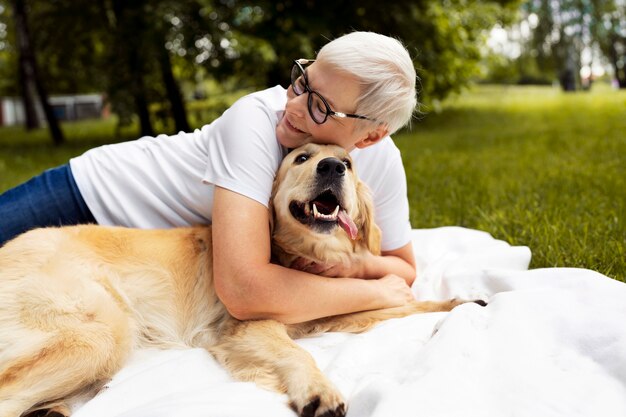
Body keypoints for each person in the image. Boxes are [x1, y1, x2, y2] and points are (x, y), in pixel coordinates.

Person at [0, 31, 418, 324]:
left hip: (133, 258)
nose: (293, 106)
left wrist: (356, 266)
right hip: (87, 192)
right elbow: (244, 290)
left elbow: (402, 266)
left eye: (321, 107)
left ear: (373, 134)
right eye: (301, 82)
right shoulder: (255, 120)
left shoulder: (380, 163)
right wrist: (374, 291)